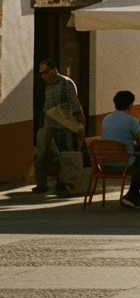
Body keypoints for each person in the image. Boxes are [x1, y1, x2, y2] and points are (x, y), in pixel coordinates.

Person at [32, 58, 85, 195]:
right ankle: (41, 184)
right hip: (48, 123)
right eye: (41, 73)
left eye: (46, 72)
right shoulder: (46, 85)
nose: (44, 76)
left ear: (54, 70)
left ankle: (63, 183)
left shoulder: (66, 83)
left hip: (64, 124)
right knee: (41, 153)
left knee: (66, 154)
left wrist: (80, 124)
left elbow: (74, 104)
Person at [100, 91, 140, 208]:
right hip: (123, 162)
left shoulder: (106, 118)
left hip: (104, 163)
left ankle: (135, 195)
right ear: (130, 105)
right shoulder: (132, 120)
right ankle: (133, 194)